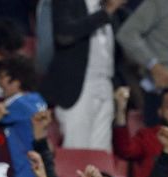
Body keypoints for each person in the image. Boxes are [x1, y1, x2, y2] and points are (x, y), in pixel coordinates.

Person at [41, 0, 126, 150]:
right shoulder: (70, 3)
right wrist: (106, 12)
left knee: (101, 151)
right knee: (77, 148)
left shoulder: (112, 9)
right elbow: (64, 35)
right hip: (78, 84)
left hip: (105, 83)